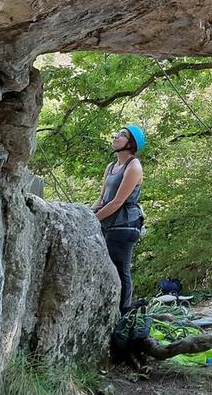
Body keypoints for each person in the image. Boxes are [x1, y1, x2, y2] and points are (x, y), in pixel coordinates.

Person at [92, 124, 146, 313]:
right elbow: (102, 199)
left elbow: (117, 202)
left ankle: (124, 311)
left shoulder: (134, 166)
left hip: (125, 225)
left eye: (122, 135)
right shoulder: (111, 167)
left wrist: (94, 220)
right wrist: (87, 214)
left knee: (120, 267)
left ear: (131, 143)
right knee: (107, 267)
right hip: (109, 222)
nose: (116, 136)